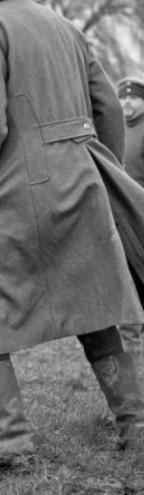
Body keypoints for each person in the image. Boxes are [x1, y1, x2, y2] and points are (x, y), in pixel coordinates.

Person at [0, 0, 144, 470]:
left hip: (16, 185)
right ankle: (135, 424)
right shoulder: (63, 24)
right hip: (80, 177)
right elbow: (107, 108)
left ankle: (6, 436)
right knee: (92, 299)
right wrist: (97, 169)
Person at [117, 77, 144, 351]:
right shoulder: (114, 128)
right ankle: (130, 340)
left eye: (132, 97)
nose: (126, 101)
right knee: (127, 278)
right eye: (122, 97)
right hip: (121, 215)